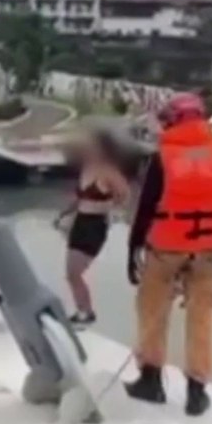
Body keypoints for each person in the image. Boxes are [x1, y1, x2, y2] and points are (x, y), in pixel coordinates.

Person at [123, 92, 212, 416]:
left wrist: (133, 249)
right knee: (202, 319)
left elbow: (146, 209)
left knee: (153, 312)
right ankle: (197, 392)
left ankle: (151, 381)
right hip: (208, 251)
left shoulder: (165, 157)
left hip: (165, 249)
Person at [52, 128, 131, 327]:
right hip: (80, 221)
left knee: (75, 272)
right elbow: (80, 198)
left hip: (96, 224)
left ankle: (86, 312)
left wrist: (111, 209)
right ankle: (83, 311)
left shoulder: (109, 172)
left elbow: (125, 195)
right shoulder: (86, 168)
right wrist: (63, 214)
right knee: (71, 272)